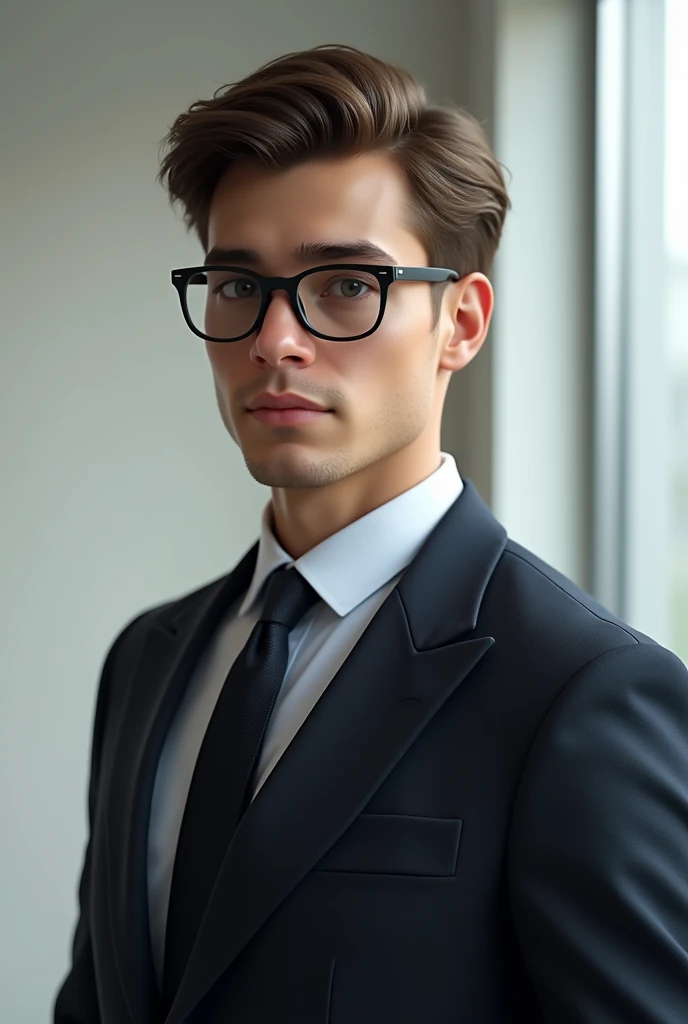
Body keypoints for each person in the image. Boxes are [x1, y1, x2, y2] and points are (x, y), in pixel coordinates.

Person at [54, 44, 688, 1024]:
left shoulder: (579, 690)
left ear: (461, 324)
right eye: (236, 286)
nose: (273, 340)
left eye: (345, 284)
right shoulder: (146, 659)